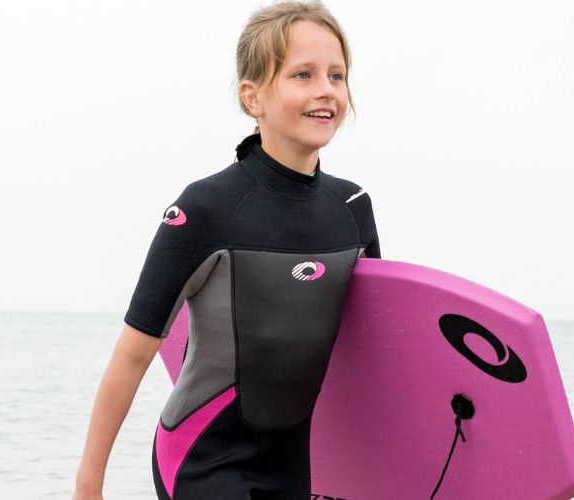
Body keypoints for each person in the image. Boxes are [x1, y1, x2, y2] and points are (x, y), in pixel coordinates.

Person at [73, 2, 379, 499]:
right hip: (201, 457)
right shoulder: (207, 209)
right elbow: (133, 355)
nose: (326, 89)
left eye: (337, 75)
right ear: (252, 96)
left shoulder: (352, 208)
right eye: (302, 74)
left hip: (295, 468)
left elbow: (368, 350)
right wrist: (89, 485)